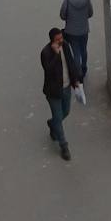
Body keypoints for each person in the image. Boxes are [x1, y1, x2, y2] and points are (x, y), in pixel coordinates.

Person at [40, 28, 77, 161]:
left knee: (65, 112)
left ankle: (52, 124)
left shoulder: (65, 46)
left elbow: (71, 63)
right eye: (58, 39)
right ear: (52, 41)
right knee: (58, 115)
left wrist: (76, 80)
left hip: (66, 87)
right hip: (53, 91)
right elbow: (48, 70)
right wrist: (56, 55)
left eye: (61, 38)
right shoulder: (46, 53)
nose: (61, 41)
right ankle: (64, 146)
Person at [59, 0, 94, 83]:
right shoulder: (87, 0)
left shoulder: (67, 0)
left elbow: (62, 15)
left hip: (71, 32)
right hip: (84, 31)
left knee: (76, 52)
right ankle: (84, 68)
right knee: (84, 50)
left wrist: (69, 18)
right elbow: (90, 13)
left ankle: (78, 74)